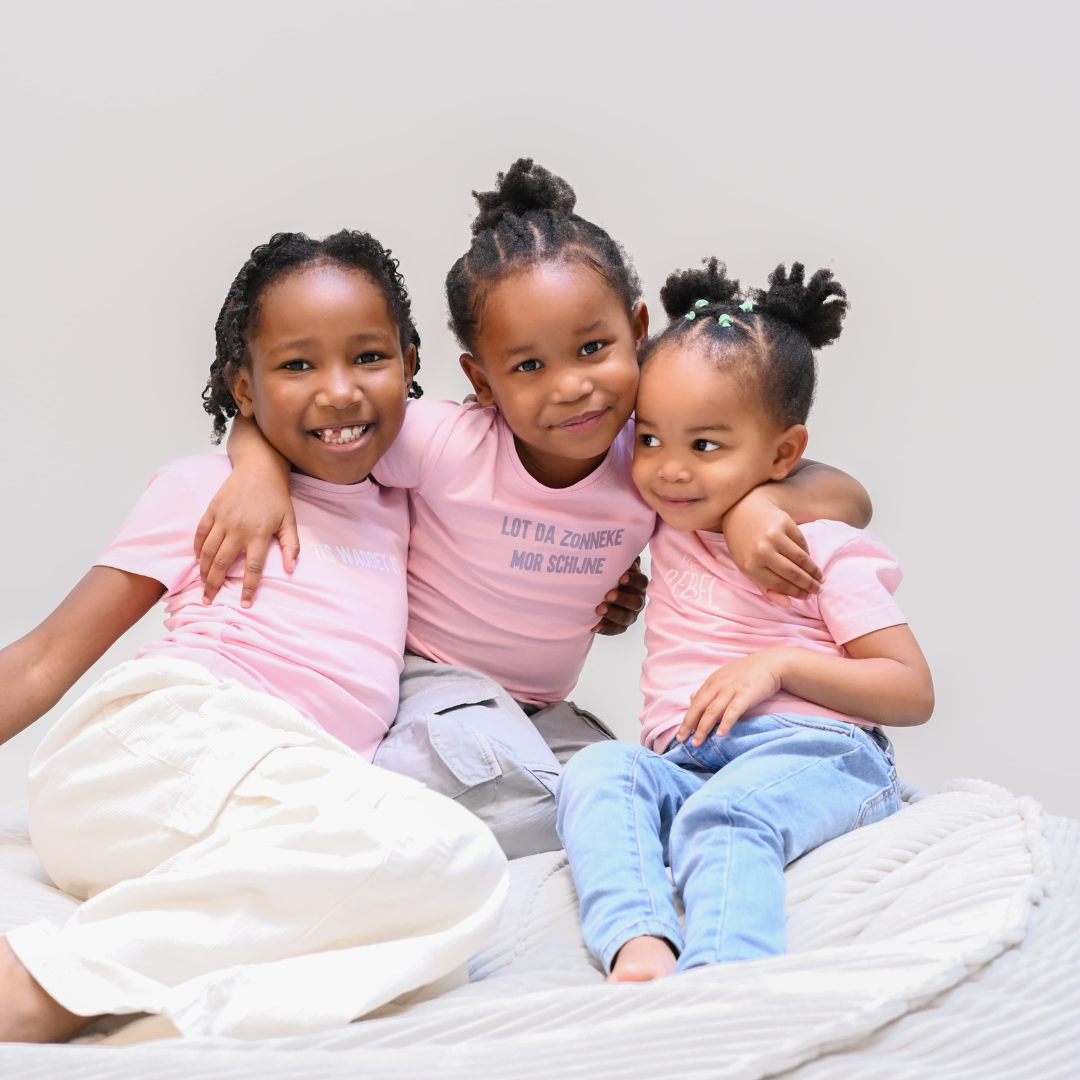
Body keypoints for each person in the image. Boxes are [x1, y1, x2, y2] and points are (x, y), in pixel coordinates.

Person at [197, 161, 873, 857]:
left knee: (628, 788)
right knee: (528, 801)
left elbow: (849, 498)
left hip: (543, 710)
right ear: (481, 380)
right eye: (528, 366)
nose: (571, 387)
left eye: (592, 348)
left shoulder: (652, 458)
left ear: (638, 332)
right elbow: (306, 428)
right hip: (435, 683)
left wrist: (757, 506)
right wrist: (256, 466)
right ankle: (369, 819)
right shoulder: (445, 443)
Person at [0, 230, 508, 1042]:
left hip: (264, 808)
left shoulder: (414, 503)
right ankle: (39, 988)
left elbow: (538, 513)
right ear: (245, 385)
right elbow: (42, 660)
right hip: (163, 741)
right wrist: (253, 462)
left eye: (369, 357)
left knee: (434, 930)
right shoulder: (209, 491)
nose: (339, 391)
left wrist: (613, 591)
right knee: (451, 852)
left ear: (411, 364)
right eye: (298, 364)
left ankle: (159, 1032)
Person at [556, 258, 934, 982]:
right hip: (687, 759)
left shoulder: (816, 546)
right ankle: (638, 943)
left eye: (705, 446)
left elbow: (912, 691)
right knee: (598, 770)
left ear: (784, 453)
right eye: (650, 439)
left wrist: (778, 666)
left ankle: (727, 978)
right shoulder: (667, 523)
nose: (668, 469)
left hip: (819, 754)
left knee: (725, 817)